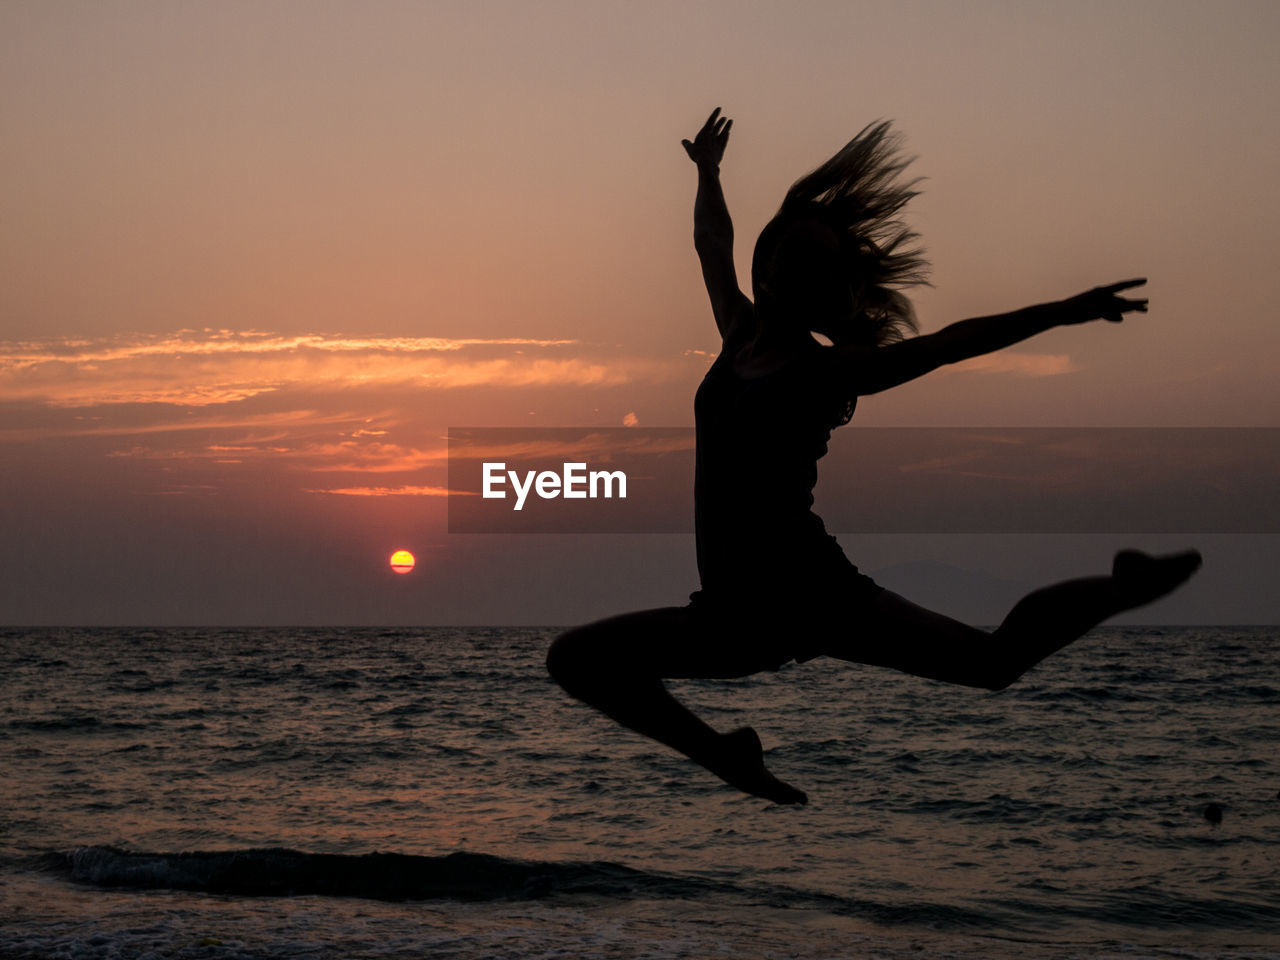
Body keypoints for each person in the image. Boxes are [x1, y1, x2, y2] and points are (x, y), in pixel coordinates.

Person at [546, 108, 1201, 805]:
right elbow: (713, 244)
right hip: (734, 613)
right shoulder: (737, 334)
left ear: (825, 288)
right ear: (767, 262)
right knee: (577, 659)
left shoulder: (832, 370)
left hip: (812, 592)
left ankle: (1119, 588)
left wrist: (1062, 312)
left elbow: (951, 342)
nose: (796, 266)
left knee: (993, 663)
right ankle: (727, 755)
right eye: (790, 251)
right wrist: (707, 172)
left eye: (817, 265)